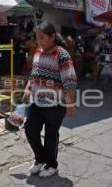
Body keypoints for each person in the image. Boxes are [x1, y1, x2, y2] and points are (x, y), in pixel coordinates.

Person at [22, 22, 77, 177]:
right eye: (37, 38)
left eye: (42, 38)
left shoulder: (62, 55)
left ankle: (51, 165)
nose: (39, 41)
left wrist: (70, 104)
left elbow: (70, 81)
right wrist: (28, 88)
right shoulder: (38, 52)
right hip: (37, 101)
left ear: (52, 37)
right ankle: (40, 159)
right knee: (30, 130)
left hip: (55, 104)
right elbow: (34, 74)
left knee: (51, 135)